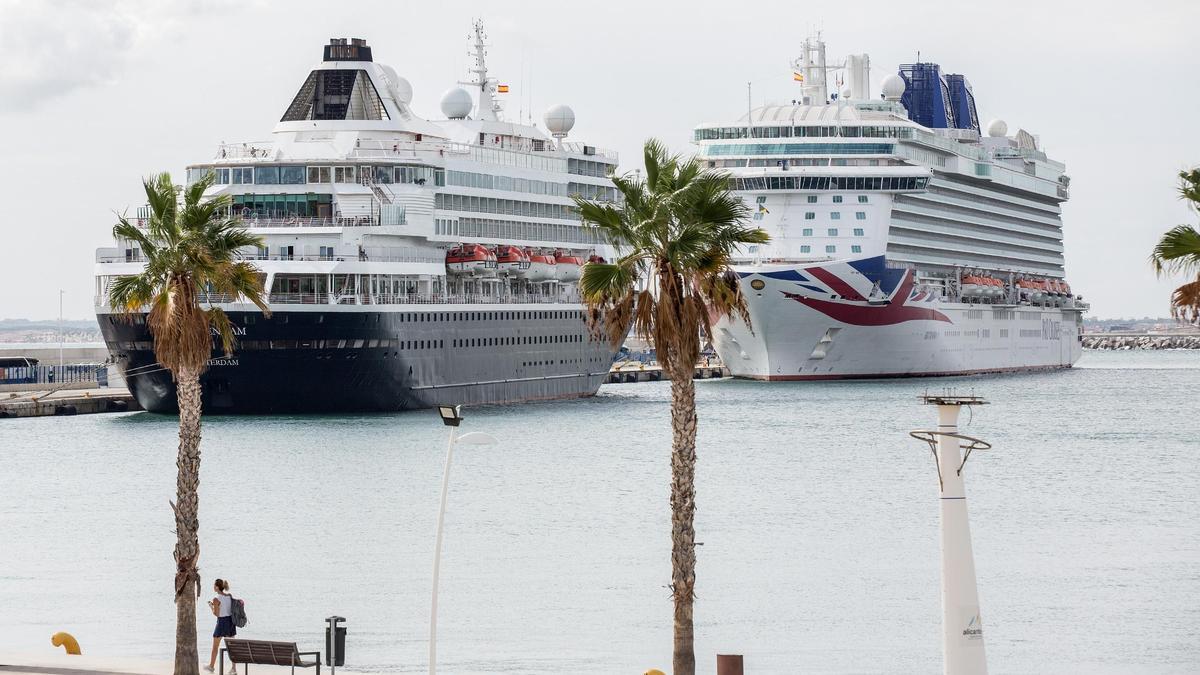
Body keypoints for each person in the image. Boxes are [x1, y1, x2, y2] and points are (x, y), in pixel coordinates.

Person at [205, 579, 237, 673]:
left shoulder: (216, 599)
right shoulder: (229, 596)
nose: (213, 587)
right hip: (231, 622)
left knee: (215, 647)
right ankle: (233, 668)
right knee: (232, 647)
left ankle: (211, 666)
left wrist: (211, 606)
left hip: (222, 622)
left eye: (214, 585)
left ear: (217, 587)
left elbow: (217, 614)